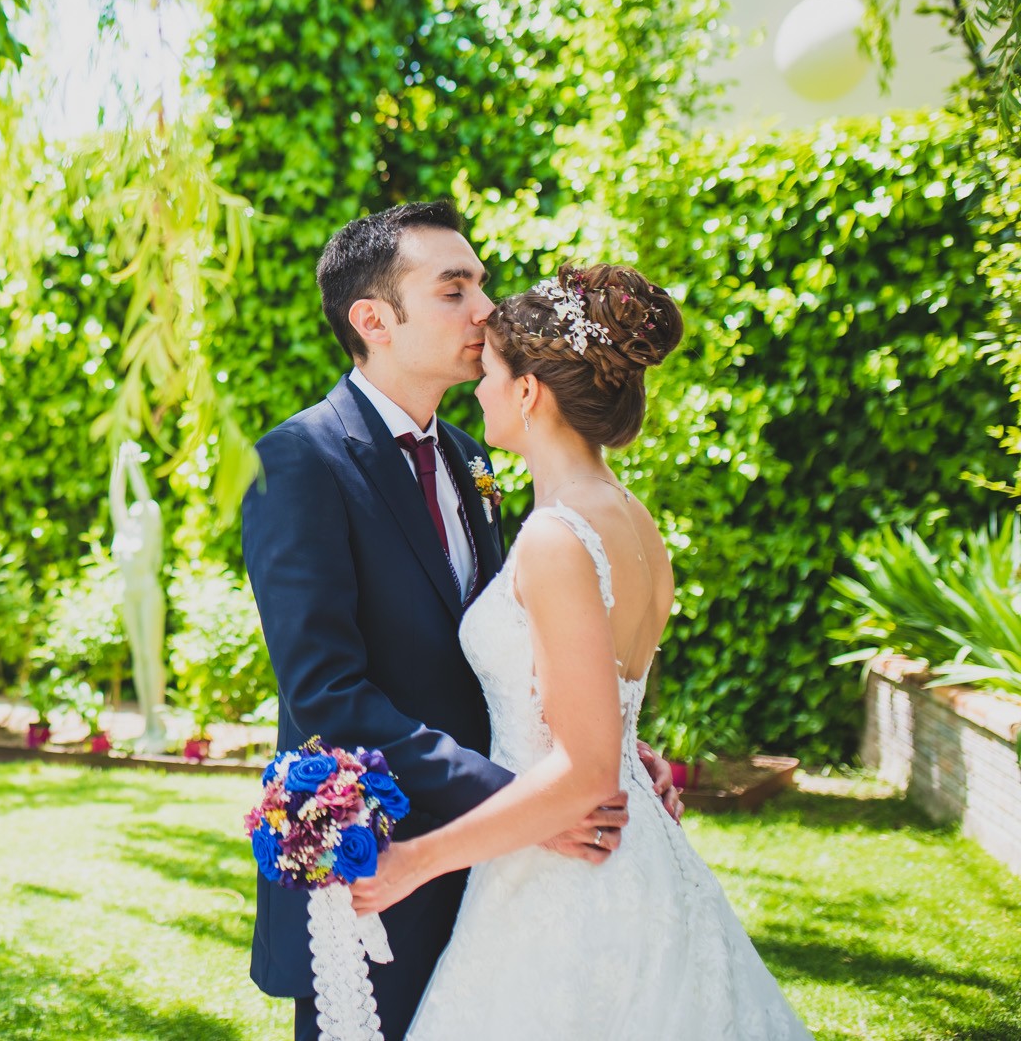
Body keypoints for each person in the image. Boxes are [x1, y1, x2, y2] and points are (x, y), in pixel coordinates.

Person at [241, 202, 682, 1041]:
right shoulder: (296, 463)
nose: (485, 307)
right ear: (373, 319)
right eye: (455, 288)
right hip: (381, 869)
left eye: (480, 282)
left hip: (503, 871)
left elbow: (502, 647)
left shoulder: (476, 456)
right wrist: (529, 799)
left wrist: (594, 744)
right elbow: (328, 694)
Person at [348, 262, 811, 1039]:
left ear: (529, 392)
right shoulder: (633, 522)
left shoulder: (558, 538)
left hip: (566, 877)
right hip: (624, 852)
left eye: (491, 371)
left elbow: (584, 768)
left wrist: (416, 860)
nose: (481, 385)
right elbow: (603, 714)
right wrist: (635, 751)